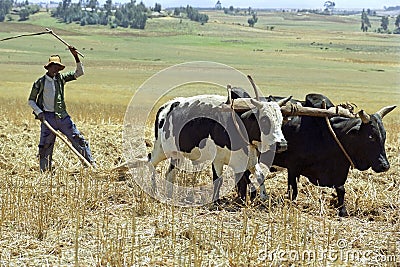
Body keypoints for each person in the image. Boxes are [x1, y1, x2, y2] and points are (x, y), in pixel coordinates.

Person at [28, 46, 95, 171]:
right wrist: (39, 113)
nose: (56, 69)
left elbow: (79, 73)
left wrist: (75, 56)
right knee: (45, 145)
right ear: (48, 67)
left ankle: (90, 165)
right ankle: (45, 171)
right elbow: (31, 100)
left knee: (78, 139)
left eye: (58, 67)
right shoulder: (40, 82)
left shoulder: (61, 79)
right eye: (53, 66)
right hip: (47, 117)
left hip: (62, 117)